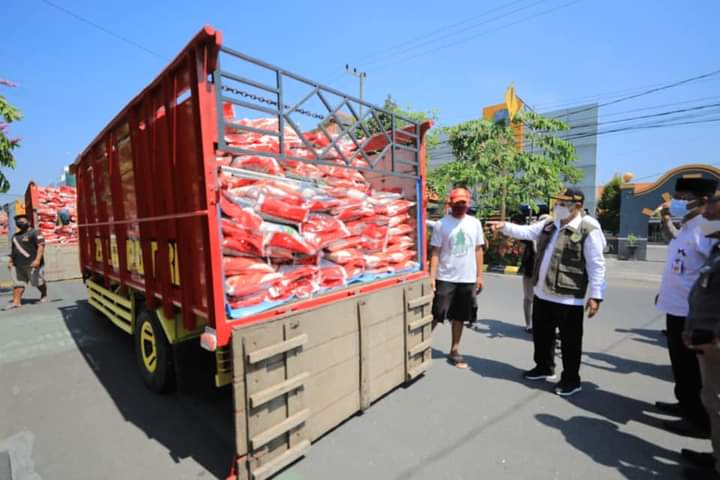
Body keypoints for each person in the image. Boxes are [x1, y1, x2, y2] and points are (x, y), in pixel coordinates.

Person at [490, 188, 606, 397]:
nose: (558, 207)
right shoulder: (549, 225)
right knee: (542, 336)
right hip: (543, 293)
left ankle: (571, 379)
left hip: (569, 298)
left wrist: (596, 295)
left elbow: (597, 264)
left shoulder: (589, 229)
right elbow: (526, 232)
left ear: (577, 206)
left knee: (570, 342)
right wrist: (505, 226)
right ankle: (544, 367)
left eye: (563, 203)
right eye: (557, 202)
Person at [655, 177, 718, 439]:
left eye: (682, 197)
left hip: (690, 311)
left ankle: (698, 419)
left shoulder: (708, 229)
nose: (677, 202)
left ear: (703, 200)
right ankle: (684, 404)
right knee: (680, 366)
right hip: (675, 306)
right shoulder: (688, 226)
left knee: (691, 369)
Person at [681, 191, 720, 480]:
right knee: (713, 401)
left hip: (716, 345)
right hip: (707, 341)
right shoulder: (717, 245)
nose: (705, 209)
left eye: (710, 202)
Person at [429, 187, 485, 369]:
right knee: (437, 313)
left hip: (467, 278)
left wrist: (479, 275)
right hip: (446, 277)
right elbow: (436, 252)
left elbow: (478, 249)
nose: (461, 206)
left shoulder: (475, 223)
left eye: (464, 203)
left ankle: (454, 350)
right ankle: (419, 344)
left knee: (460, 316)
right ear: (450, 203)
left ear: (468, 204)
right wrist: (432, 277)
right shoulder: (441, 225)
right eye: (458, 203)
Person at [6, 213, 47, 309]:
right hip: (18, 265)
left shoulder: (35, 232)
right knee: (18, 283)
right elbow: (13, 250)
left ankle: (44, 294)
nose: (20, 223)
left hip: (32, 264)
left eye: (22, 221)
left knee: (38, 283)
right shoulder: (15, 236)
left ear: (28, 222)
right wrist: (11, 261)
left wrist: (37, 260)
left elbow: (41, 246)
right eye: (18, 222)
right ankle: (16, 302)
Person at [518, 214, 550, 333]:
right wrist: (530, 228)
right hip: (530, 271)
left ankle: (543, 325)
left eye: (545, 222)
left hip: (546, 274)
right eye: (541, 222)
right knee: (528, 298)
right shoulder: (531, 235)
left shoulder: (552, 237)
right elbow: (521, 235)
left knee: (544, 301)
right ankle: (529, 324)